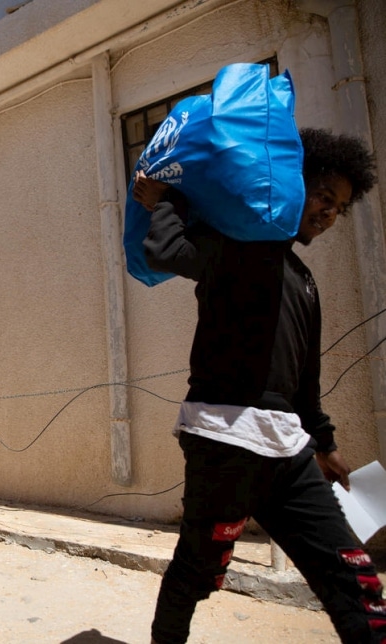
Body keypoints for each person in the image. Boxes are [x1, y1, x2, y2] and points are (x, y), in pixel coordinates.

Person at [133, 128, 384, 643]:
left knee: (354, 577)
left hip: (288, 449)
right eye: (322, 196)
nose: (329, 213)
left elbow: (305, 379)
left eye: (338, 207)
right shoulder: (237, 245)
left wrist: (328, 445)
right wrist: (165, 200)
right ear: (292, 183)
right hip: (223, 436)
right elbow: (164, 251)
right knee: (197, 572)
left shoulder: (306, 281)